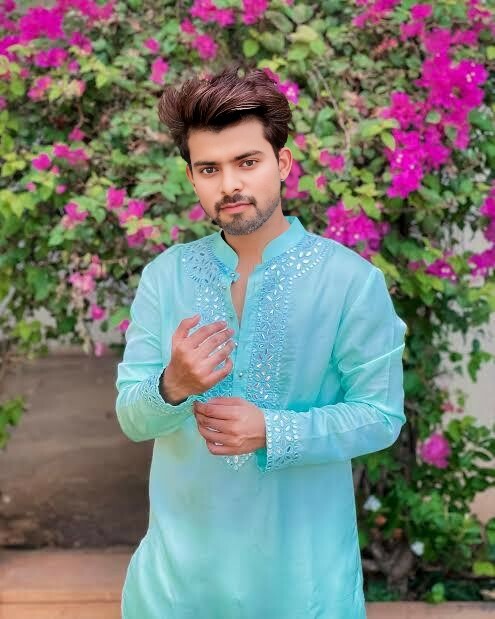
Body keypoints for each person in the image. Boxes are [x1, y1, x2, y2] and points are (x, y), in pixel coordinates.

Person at [115, 64, 407, 619]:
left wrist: (273, 430)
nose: (229, 185)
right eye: (210, 168)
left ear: (283, 163)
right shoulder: (165, 277)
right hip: (179, 587)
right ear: (192, 177)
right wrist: (172, 385)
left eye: (247, 162)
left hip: (302, 585)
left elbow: (380, 416)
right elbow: (133, 418)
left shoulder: (350, 281)